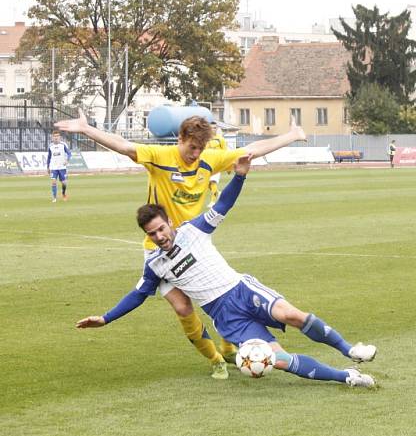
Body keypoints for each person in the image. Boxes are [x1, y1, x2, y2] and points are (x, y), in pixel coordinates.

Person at [76, 155, 377, 388]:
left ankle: (351, 350)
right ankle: (347, 377)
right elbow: (137, 295)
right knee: (279, 359)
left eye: (161, 229)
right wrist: (105, 318)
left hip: (241, 290)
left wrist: (240, 176)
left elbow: (223, 205)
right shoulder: (155, 264)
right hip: (225, 316)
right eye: (152, 234)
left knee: (292, 316)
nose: (159, 236)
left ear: (169, 222)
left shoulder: (193, 230)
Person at [56, 111, 306, 379]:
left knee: (218, 295)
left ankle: (230, 347)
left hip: (193, 245)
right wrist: (86, 130)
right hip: (159, 250)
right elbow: (125, 146)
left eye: (200, 148)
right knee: (183, 307)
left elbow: (252, 149)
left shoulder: (207, 159)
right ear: (181, 138)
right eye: (192, 147)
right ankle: (215, 358)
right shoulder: (160, 157)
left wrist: (291, 135)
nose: (196, 153)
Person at [205, 122, 228, 206]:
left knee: (213, 182)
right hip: (208, 164)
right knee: (206, 183)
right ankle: (217, 193)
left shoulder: (220, 139)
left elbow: (225, 152)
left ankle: (213, 201)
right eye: (211, 128)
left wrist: (226, 165)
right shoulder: (206, 140)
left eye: (215, 128)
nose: (213, 129)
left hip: (217, 164)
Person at [47, 130, 71, 202]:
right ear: (52, 137)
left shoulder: (63, 145)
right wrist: (48, 167)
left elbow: (69, 154)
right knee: (53, 182)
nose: (56, 137)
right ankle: (54, 198)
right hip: (53, 167)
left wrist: (67, 160)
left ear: (60, 137)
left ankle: (63, 193)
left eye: (57, 136)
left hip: (62, 167)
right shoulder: (50, 146)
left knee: (64, 183)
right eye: (54, 136)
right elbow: (49, 157)